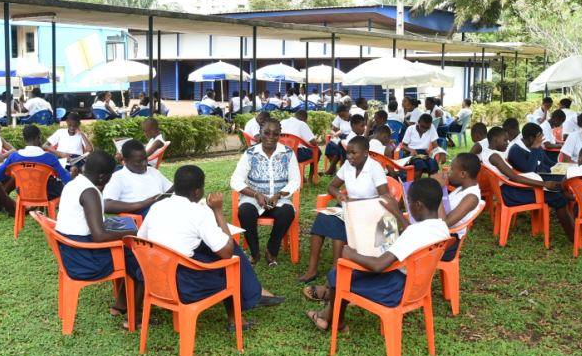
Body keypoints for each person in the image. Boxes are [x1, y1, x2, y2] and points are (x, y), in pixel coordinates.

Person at [130, 164, 284, 330]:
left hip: (153, 276)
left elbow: (141, 240)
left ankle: (250, 297)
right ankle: (239, 314)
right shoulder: (199, 212)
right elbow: (227, 252)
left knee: (210, 250)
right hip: (185, 285)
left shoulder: (157, 207)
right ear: (197, 192)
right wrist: (218, 211)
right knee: (232, 259)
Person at [305, 178, 450, 332]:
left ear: (418, 205)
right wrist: (397, 213)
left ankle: (335, 321)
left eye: (409, 202)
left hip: (395, 289)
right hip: (416, 286)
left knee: (339, 274)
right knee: (351, 273)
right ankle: (327, 315)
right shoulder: (441, 228)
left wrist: (351, 254)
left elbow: (378, 266)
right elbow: (413, 235)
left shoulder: (415, 232)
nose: (407, 205)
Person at [301, 136, 394, 286]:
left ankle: (336, 271)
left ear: (365, 153)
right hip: (349, 207)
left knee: (339, 227)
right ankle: (312, 269)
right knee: (321, 219)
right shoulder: (348, 165)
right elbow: (331, 186)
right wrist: (339, 196)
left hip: (370, 211)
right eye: (348, 153)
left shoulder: (374, 168)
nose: (349, 156)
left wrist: (359, 203)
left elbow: (385, 197)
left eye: (353, 153)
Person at [55, 150, 138, 284]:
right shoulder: (90, 193)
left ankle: (125, 302)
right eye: (111, 175)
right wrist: (134, 233)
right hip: (86, 263)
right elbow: (99, 236)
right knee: (137, 254)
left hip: (70, 253)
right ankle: (128, 303)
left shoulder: (73, 184)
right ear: (102, 177)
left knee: (128, 246)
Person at [230, 118, 301, 267]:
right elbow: (235, 180)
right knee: (244, 212)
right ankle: (255, 252)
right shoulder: (250, 153)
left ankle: (271, 250)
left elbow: (295, 180)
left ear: (279, 135)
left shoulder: (288, 153)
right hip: (253, 198)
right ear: (260, 133)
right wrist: (256, 194)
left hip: (278, 199)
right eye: (266, 133)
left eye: (275, 134)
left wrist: (279, 195)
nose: (270, 137)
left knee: (287, 212)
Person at [483, 127, 575, 240]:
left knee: (558, 192)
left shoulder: (490, 153)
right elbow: (514, 177)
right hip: (510, 194)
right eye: (505, 140)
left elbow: (513, 174)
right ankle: (574, 237)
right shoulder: (494, 156)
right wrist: (544, 184)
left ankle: (568, 196)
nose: (508, 142)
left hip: (508, 190)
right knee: (559, 199)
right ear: (495, 139)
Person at [0, 124, 72, 217]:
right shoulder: (50, 158)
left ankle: (31, 207)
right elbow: (67, 180)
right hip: (47, 194)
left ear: (24, 139)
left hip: (23, 193)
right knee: (59, 185)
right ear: (39, 137)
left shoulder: (14, 157)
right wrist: (73, 174)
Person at [102, 139, 172, 219]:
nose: (144, 164)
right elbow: (106, 205)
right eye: (139, 161)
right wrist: (143, 204)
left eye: (145, 159)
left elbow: (171, 190)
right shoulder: (118, 177)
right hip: (143, 214)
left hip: (163, 208)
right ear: (125, 160)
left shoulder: (153, 171)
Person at [442, 152, 483, 260]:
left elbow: (445, 223)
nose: (448, 172)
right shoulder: (462, 188)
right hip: (439, 235)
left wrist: (440, 190)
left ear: (463, 174)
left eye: (451, 169)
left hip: (448, 242)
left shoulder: (471, 197)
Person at [399, 113, 444, 179]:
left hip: (424, 155)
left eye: (427, 128)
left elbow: (435, 146)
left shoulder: (432, 128)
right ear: (418, 122)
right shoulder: (410, 129)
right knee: (419, 164)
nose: (424, 129)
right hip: (411, 154)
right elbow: (403, 145)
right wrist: (410, 150)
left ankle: (432, 185)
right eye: (422, 126)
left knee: (433, 163)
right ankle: (416, 185)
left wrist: (442, 153)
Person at [324, 104, 353, 175]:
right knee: (329, 147)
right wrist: (334, 134)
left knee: (340, 148)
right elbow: (332, 130)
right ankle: (333, 169)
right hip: (340, 137)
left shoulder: (354, 118)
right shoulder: (339, 117)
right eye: (340, 116)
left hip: (351, 138)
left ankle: (332, 170)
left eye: (343, 115)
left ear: (347, 111)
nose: (341, 117)